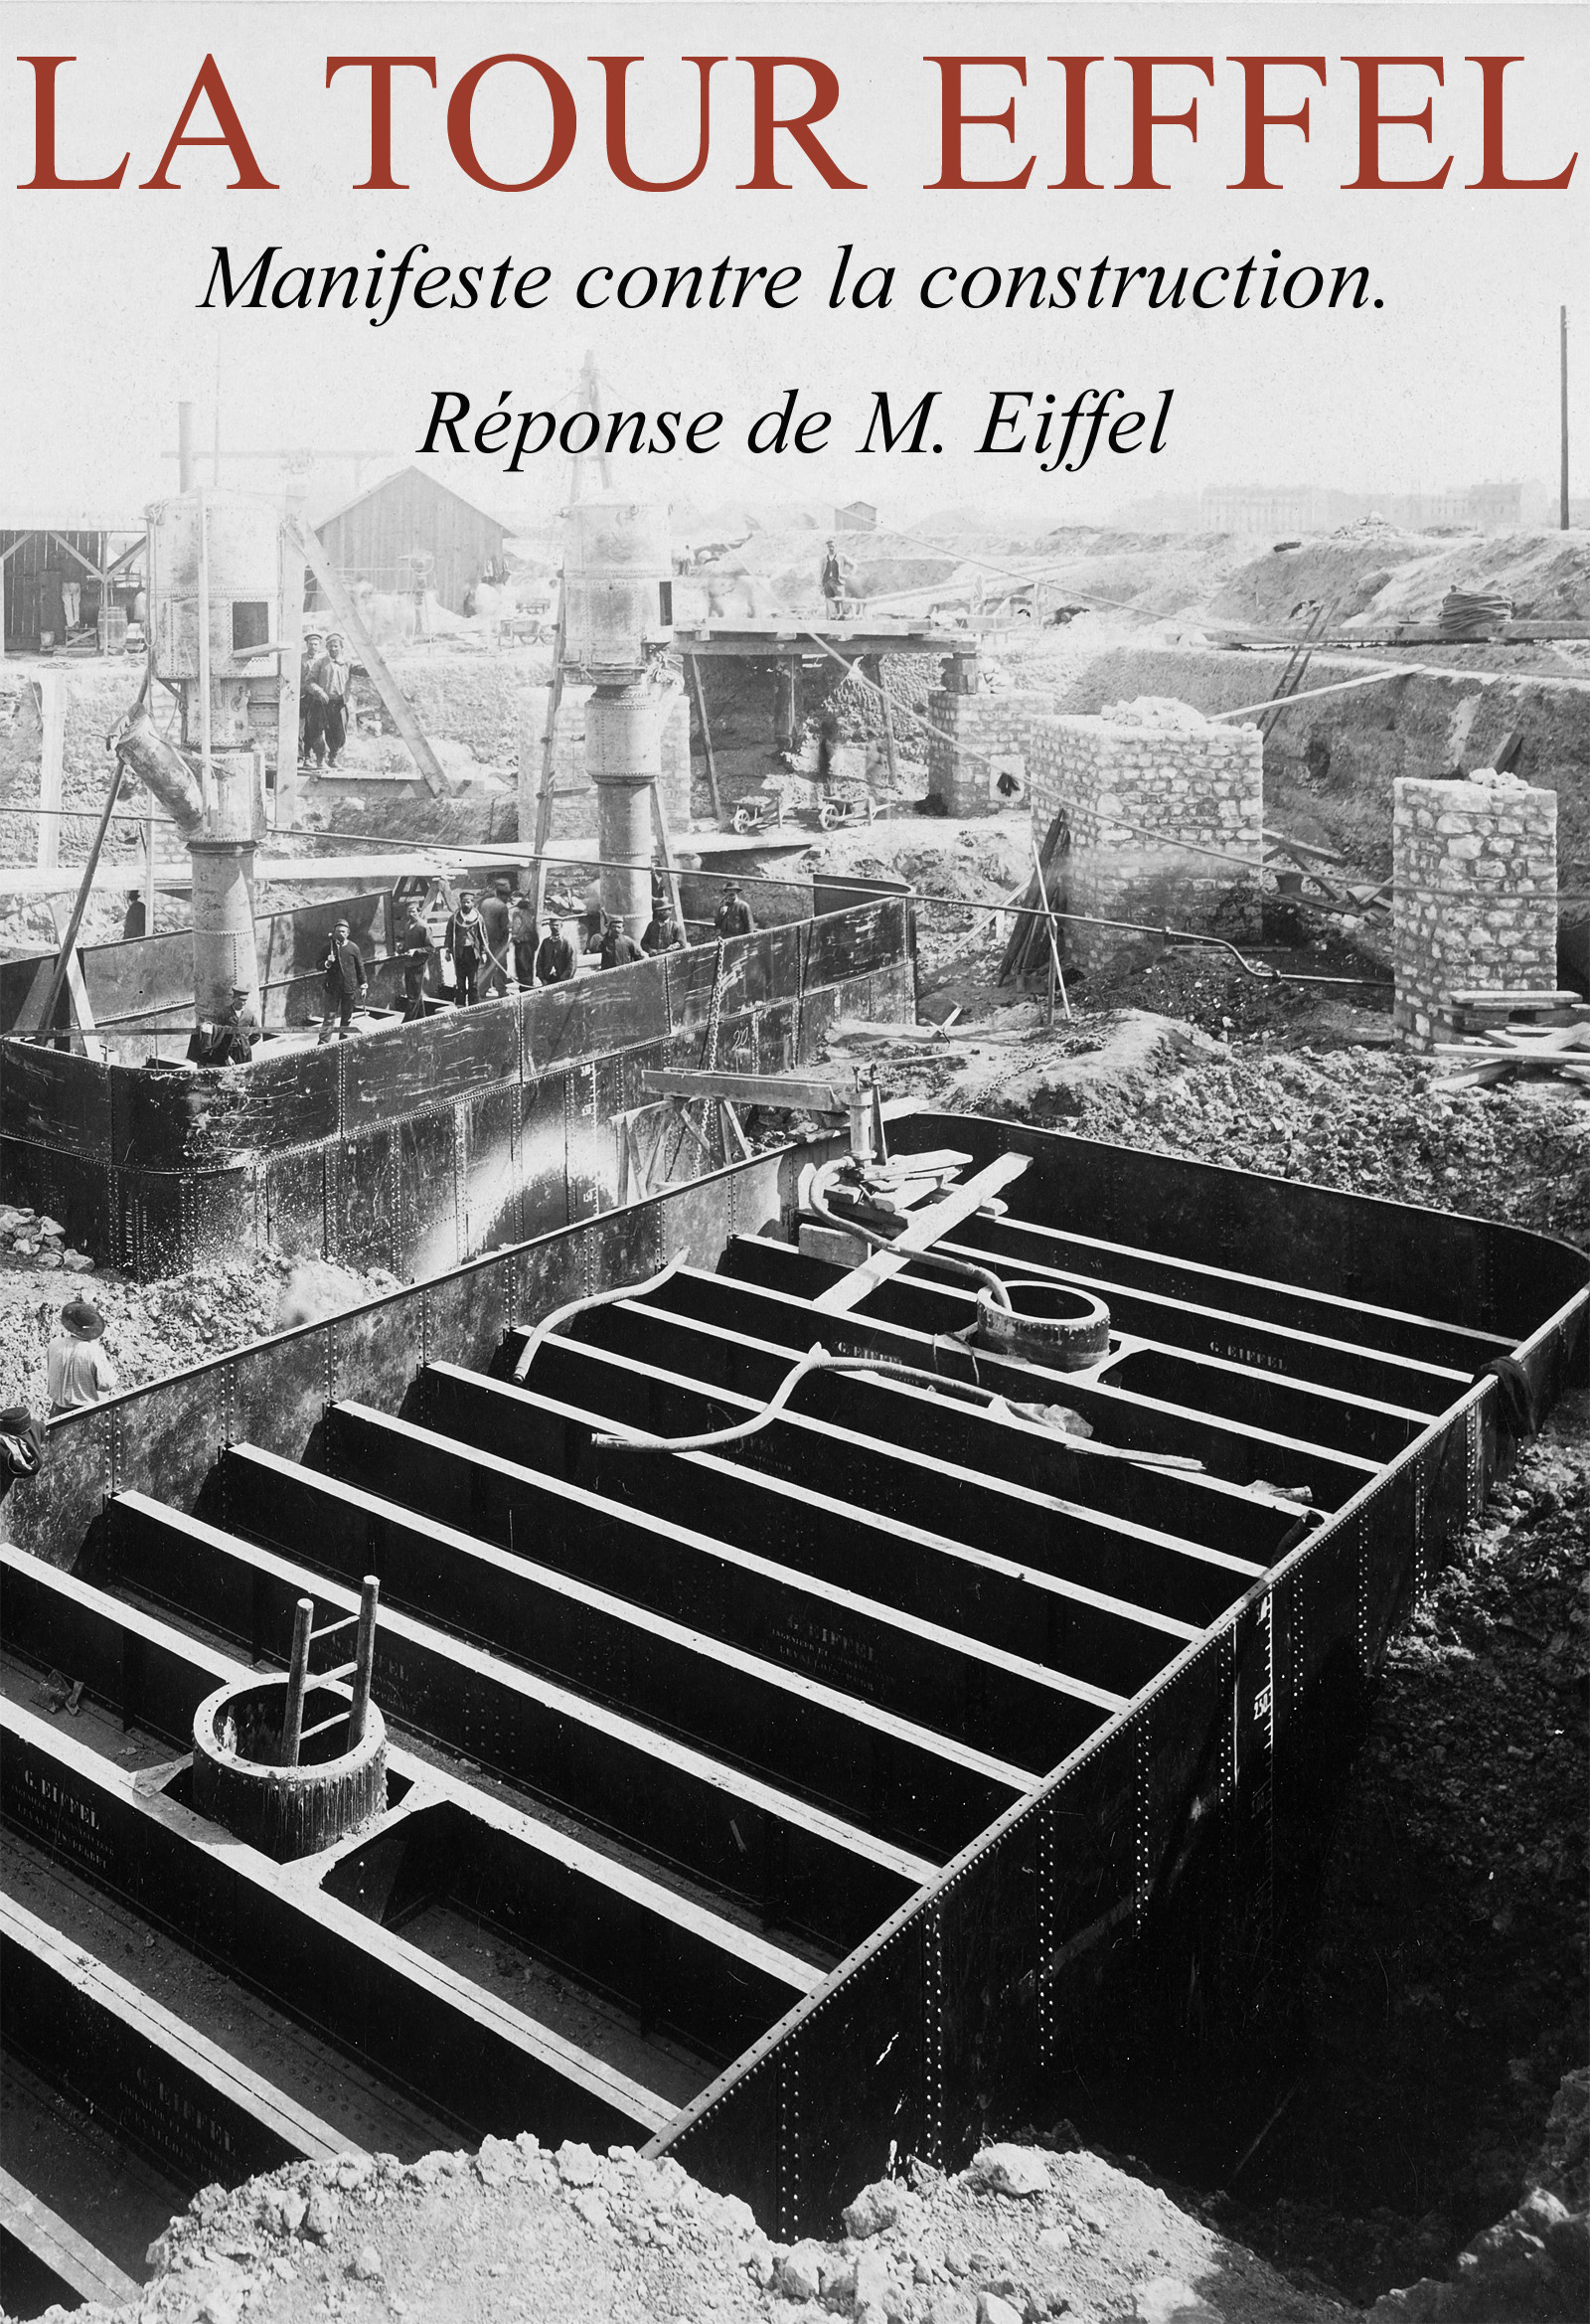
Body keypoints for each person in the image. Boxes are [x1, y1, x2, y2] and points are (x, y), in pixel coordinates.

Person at [48, 1299, 117, 1417]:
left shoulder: (54, 1344)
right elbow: (107, 1384)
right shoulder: (93, 1351)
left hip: (57, 1411)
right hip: (84, 1413)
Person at [317, 918, 367, 1043]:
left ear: (348, 933)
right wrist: (327, 963)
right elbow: (318, 965)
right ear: (334, 933)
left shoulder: (353, 948)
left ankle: (344, 1040)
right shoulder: (328, 948)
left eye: (343, 932)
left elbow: (360, 967)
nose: (340, 934)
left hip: (349, 988)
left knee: (347, 1016)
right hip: (332, 988)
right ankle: (323, 1042)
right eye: (338, 931)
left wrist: (363, 985)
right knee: (329, 1017)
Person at [445, 890, 485, 1007]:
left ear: (472, 903)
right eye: (463, 902)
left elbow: (483, 935)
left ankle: (474, 1005)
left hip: (473, 953)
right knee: (460, 980)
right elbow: (449, 934)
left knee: (473, 981)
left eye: (468, 902)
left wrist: (483, 952)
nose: (466, 904)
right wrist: (447, 950)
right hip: (459, 953)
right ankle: (460, 1004)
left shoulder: (478, 918)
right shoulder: (454, 918)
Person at [478, 879, 513, 999]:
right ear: (505, 896)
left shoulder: (484, 903)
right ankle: (501, 990)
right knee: (501, 966)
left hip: (485, 941)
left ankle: (482, 990)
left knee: (488, 965)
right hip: (497, 942)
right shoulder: (502, 907)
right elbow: (504, 928)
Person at [321, 633, 352, 767]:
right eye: (331, 646)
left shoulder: (347, 663)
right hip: (324, 702)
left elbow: (362, 670)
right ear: (327, 647)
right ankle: (320, 759)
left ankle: (333, 758)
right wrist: (320, 692)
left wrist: (376, 665)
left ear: (341, 647)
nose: (333, 649)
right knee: (320, 731)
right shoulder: (321, 662)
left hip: (339, 702)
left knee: (340, 732)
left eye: (336, 646)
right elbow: (310, 680)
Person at [398, 908, 431, 1022]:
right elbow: (407, 943)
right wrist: (401, 949)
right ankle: (422, 1018)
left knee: (413, 995)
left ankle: (407, 1022)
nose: (411, 914)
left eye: (414, 912)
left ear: (418, 912)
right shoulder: (407, 926)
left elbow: (431, 948)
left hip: (419, 964)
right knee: (414, 993)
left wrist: (416, 951)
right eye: (409, 912)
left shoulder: (424, 927)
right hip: (409, 963)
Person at [299, 628, 328, 764]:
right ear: (307, 645)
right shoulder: (301, 659)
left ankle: (318, 757)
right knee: (301, 728)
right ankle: (303, 757)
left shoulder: (323, 660)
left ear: (320, 646)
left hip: (316, 698)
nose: (313, 646)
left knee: (315, 728)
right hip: (303, 697)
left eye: (316, 644)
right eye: (310, 644)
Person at [535, 918, 578, 985]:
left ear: (561, 926)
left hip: (563, 981)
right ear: (549, 926)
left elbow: (572, 964)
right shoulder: (545, 942)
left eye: (557, 925)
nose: (554, 927)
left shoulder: (567, 942)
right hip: (547, 980)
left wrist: (562, 981)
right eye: (552, 925)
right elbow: (539, 962)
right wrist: (542, 979)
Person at [510, 895, 540, 986]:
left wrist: (514, 937)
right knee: (529, 965)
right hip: (531, 942)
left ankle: (524, 987)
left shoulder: (517, 913)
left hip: (521, 943)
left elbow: (516, 927)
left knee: (521, 965)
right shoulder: (531, 912)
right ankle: (529, 984)